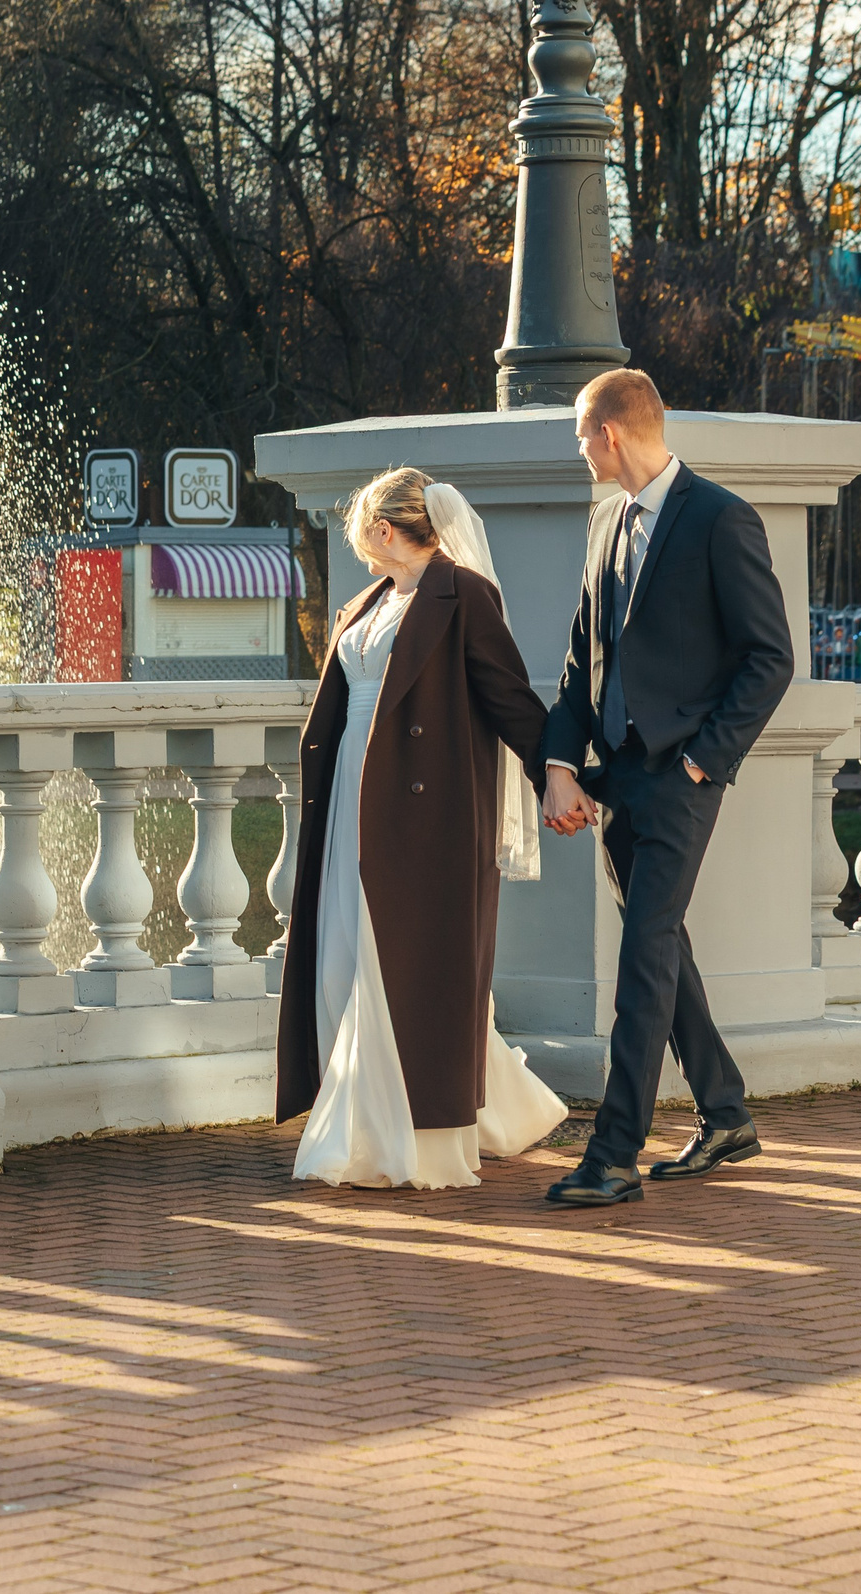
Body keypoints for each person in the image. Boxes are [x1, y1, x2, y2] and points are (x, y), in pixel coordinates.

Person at [538, 368, 795, 1208]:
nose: (577, 446)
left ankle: (613, 1154)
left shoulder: (722, 519)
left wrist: (700, 762)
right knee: (664, 951)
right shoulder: (607, 521)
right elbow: (582, 662)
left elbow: (770, 659)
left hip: (682, 779)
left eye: (581, 431)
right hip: (616, 780)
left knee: (643, 960)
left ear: (610, 432)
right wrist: (560, 764)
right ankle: (725, 1114)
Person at [275, 467, 565, 1190]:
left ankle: (412, 1137)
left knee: (400, 965)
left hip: (424, 812)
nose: (358, 543)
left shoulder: (463, 594)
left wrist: (556, 769)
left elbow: (508, 694)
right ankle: (453, 1107)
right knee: (346, 950)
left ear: (383, 529)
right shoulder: (368, 601)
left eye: (360, 530)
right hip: (351, 796)